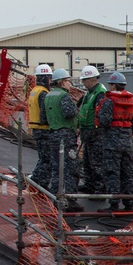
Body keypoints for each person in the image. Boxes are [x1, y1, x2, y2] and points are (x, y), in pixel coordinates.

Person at [94, 71, 133, 212]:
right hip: (127, 143)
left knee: (112, 172)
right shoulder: (132, 102)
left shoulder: (109, 102)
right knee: (127, 172)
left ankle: (113, 204)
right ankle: (129, 202)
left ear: (113, 85)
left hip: (111, 143)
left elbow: (104, 121)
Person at [42, 68, 83, 211]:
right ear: (61, 82)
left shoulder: (48, 96)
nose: (69, 84)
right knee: (71, 167)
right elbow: (69, 113)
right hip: (66, 136)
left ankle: (53, 197)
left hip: (52, 134)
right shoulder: (64, 96)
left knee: (55, 167)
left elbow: (43, 118)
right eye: (67, 81)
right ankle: (71, 200)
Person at [75, 65, 106, 194]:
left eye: (84, 80)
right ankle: (89, 184)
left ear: (92, 79)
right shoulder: (89, 93)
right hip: (87, 133)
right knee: (87, 161)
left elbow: (100, 113)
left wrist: (95, 129)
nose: (83, 82)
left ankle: (99, 187)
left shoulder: (100, 93)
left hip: (96, 134)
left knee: (96, 162)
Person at [26, 64, 53, 189]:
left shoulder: (34, 90)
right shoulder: (43, 93)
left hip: (36, 128)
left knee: (43, 158)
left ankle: (35, 179)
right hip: (43, 129)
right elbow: (45, 113)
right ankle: (41, 184)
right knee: (46, 160)